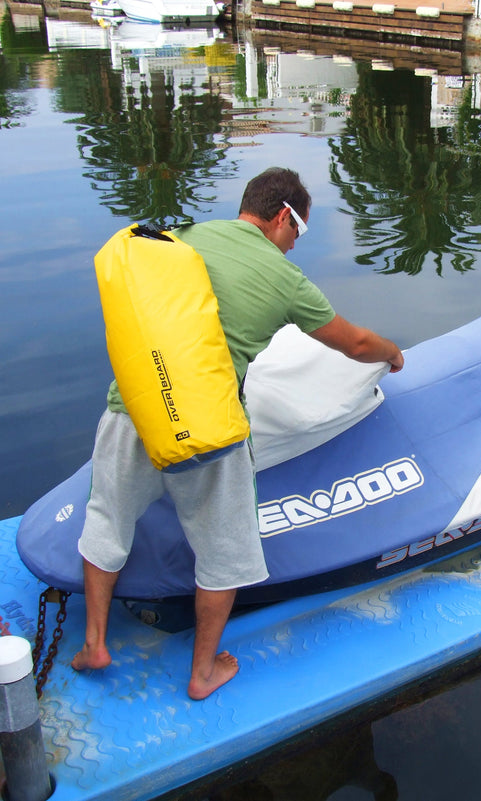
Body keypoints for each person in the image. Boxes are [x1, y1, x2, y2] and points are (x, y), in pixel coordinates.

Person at [71, 167, 404, 700]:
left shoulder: (183, 239)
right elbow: (357, 344)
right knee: (224, 552)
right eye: (299, 231)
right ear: (280, 218)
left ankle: (94, 644)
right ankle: (203, 673)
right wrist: (394, 353)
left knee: (106, 518)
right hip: (207, 425)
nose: (295, 245)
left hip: (129, 405)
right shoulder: (283, 277)